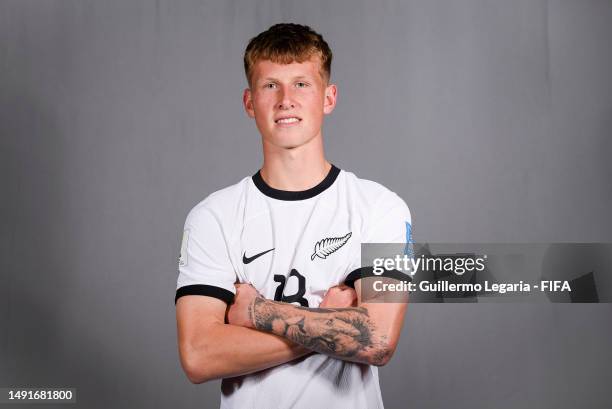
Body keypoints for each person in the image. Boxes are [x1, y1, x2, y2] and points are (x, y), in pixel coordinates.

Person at [175, 23, 412, 409]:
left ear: (328, 98)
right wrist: (331, 322)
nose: (286, 99)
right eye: (271, 85)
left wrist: (257, 311)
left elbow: (377, 340)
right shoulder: (212, 216)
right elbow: (199, 356)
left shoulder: (380, 207)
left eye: (301, 84)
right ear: (250, 103)